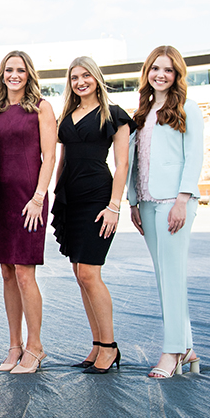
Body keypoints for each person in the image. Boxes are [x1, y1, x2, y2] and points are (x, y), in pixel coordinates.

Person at [51, 56, 134, 374]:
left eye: (86, 75)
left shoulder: (114, 115)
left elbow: (122, 164)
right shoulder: (67, 115)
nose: (80, 81)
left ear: (97, 78)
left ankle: (110, 347)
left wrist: (115, 206)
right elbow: (62, 159)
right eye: (74, 77)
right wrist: (54, 195)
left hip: (98, 199)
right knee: (79, 275)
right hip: (69, 198)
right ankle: (97, 345)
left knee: (89, 274)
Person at [128, 46, 204, 378]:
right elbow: (136, 162)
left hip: (174, 202)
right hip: (146, 202)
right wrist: (133, 201)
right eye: (155, 68)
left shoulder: (188, 109)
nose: (161, 74)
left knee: (173, 279)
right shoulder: (142, 112)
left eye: (168, 70)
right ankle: (186, 347)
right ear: (147, 72)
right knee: (163, 279)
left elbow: (194, 156)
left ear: (177, 75)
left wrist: (182, 201)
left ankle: (171, 352)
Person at [0, 52, 57, 374]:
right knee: (6, 272)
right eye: (9, 70)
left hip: (29, 199)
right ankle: (14, 346)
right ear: (2, 75)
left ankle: (35, 346)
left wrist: (39, 197)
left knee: (26, 273)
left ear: (29, 74)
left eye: (20, 70)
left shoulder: (41, 107)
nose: (15, 75)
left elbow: (50, 155)